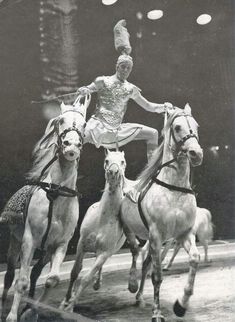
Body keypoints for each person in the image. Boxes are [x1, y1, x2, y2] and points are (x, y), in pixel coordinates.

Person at [77, 20, 174, 160]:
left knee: (152, 133)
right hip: (96, 127)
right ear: (117, 67)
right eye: (123, 67)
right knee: (74, 142)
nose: (126, 70)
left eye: (128, 68)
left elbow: (148, 105)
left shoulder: (130, 88)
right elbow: (89, 88)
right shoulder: (103, 81)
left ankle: (152, 170)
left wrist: (163, 107)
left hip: (117, 130)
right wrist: (84, 89)